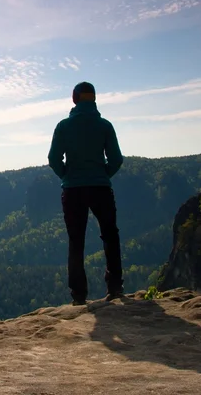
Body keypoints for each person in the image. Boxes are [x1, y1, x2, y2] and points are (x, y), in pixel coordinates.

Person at [47, 81, 124, 305]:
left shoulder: (63, 126)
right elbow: (117, 159)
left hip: (73, 191)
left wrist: (67, 177)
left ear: (74, 98)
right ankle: (115, 287)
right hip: (101, 188)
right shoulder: (105, 126)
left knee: (76, 240)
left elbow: (53, 159)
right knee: (110, 235)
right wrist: (102, 175)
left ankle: (79, 296)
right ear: (94, 99)